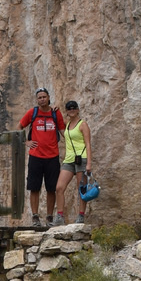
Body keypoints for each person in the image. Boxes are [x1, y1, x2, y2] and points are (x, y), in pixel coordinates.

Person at [19, 88, 65, 228]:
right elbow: (19, 127)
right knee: (34, 187)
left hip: (52, 156)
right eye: (39, 97)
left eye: (44, 97)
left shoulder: (55, 113)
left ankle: (50, 217)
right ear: (37, 99)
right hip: (36, 156)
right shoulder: (32, 113)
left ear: (49, 97)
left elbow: (63, 131)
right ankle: (35, 217)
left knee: (51, 188)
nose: (42, 99)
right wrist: (25, 142)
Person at [55, 99, 92, 224]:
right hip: (69, 159)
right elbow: (59, 121)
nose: (72, 110)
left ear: (77, 110)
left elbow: (88, 144)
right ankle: (60, 216)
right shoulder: (67, 124)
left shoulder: (83, 124)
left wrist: (89, 163)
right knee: (59, 187)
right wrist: (57, 110)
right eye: (69, 109)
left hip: (81, 158)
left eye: (74, 108)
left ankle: (81, 215)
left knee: (81, 188)